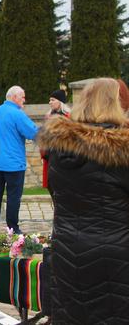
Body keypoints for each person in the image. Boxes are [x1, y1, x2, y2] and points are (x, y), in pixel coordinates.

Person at [37, 78, 129, 324]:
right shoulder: (122, 148)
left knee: (73, 314)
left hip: (68, 249)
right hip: (116, 252)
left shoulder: (60, 147)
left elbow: (56, 192)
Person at [0, 86, 38, 237]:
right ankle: (13, 228)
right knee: (13, 197)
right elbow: (33, 133)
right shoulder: (17, 114)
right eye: (22, 97)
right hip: (14, 164)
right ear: (14, 97)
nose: (24, 100)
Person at [41, 90, 69, 188]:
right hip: (50, 158)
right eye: (49, 100)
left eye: (52, 100)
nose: (50, 102)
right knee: (52, 186)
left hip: (64, 157)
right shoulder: (48, 118)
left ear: (60, 102)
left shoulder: (69, 118)